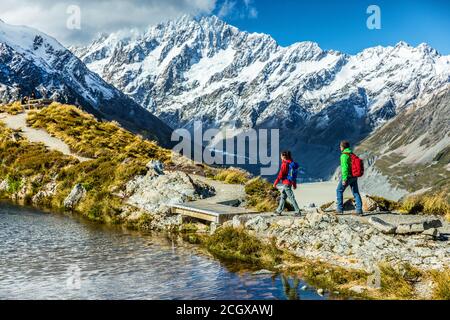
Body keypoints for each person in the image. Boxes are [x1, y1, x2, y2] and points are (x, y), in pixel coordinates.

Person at [336, 140, 363, 215]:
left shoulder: (344, 155)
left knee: (339, 190)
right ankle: (359, 210)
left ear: (342, 147)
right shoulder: (351, 154)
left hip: (348, 176)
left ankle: (339, 209)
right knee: (355, 192)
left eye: (340, 146)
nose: (340, 148)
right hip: (354, 176)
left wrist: (344, 179)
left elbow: (345, 168)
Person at [273, 151, 301, 216]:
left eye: (281, 156)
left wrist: (275, 183)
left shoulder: (284, 164)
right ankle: (278, 211)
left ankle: (297, 211)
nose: (280, 157)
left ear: (283, 156)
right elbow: (293, 175)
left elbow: (280, 175)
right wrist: (294, 184)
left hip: (286, 183)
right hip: (289, 182)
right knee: (283, 196)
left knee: (291, 197)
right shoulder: (291, 163)